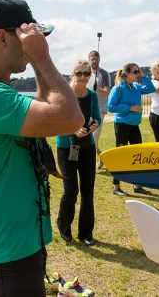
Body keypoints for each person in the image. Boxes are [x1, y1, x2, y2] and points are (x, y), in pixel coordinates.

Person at [0, 0, 83, 296]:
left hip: (13, 245)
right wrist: (41, 58)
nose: (32, 44)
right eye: (24, 38)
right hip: (2, 256)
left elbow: (47, 110)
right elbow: (70, 117)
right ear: (1, 38)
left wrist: (36, 59)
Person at [56, 59, 101, 246]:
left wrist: (92, 126)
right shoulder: (64, 94)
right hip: (66, 146)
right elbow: (57, 121)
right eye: (79, 73)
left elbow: (96, 117)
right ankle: (64, 227)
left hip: (87, 148)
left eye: (86, 73)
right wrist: (74, 130)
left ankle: (85, 233)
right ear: (72, 74)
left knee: (87, 192)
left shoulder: (91, 95)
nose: (83, 77)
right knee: (71, 190)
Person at [107, 63, 155, 196]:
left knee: (137, 154)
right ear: (126, 73)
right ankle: (116, 187)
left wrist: (144, 76)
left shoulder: (136, 87)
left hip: (134, 126)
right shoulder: (118, 88)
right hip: (122, 125)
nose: (137, 74)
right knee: (120, 155)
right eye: (135, 71)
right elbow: (110, 106)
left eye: (138, 71)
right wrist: (129, 108)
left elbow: (151, 88)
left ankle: (137, 185)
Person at [87, 50, 111, 169]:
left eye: (96, 59)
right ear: (89, 60)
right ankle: (102, 158)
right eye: (92, 59)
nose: (94, 61)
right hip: (86, 109)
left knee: (94, 138)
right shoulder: (85, 73)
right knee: (88, 137)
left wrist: (98, 89)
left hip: (100, 110)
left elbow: (107, 92)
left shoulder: (105, 74)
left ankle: (89, 165)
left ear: (99, 60)